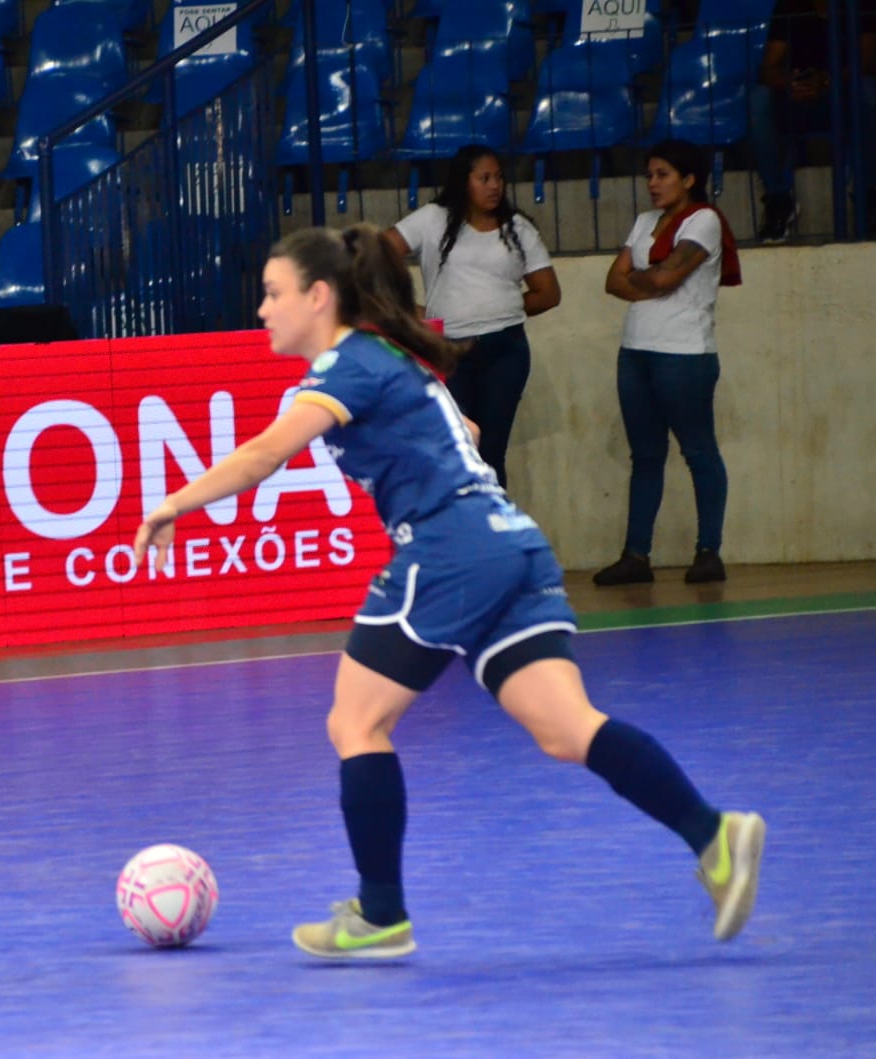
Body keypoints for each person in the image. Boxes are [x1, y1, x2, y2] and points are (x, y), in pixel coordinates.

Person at [133, 223, 766, 960]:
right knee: (568, 728)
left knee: (356, 724)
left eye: (273, 294)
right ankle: (714, 835)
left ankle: (380, 915)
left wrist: (174, 502)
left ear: (318, 295)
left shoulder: (347, 365)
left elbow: (264, 454)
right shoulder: (394, 361)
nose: (262, 310)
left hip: (447, 548)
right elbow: (459, 424)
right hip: (513, 543)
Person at [596, 140, 740, 587]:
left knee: (698, 450)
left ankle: (708, 550)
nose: (653, 183)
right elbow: (612, 282)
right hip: (636, 349)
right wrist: (650, 283)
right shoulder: (644, 222)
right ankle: (636, 555)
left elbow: (663, 277)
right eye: (650, 175)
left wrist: (645, 281)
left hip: (684, 353)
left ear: (689, 179)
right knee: (646, 456)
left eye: (663, 174)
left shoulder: (704, 220)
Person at [382, 145, 560, 489]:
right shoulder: (432, 219)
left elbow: (548, 293)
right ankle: (460, 534)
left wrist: (499, 306)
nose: (495, 186)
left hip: (505, 350)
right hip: (449, 351)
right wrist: (408, 308)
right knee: (455, 450)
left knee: (491, 451)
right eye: (484, 178)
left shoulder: (518, 228)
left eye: (499, 178)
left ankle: (494, 535)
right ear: (464, 182)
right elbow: (376, 254)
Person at [748, 0, 876, 242]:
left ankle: (866, 196)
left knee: (869, 92)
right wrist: (789, 85)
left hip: (844, 99)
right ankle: (778, 202)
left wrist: (827, 80)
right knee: (759, 99)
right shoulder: (790, 6)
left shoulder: (865, 4)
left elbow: (869, 61)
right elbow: (768, 68)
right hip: (799, 99)